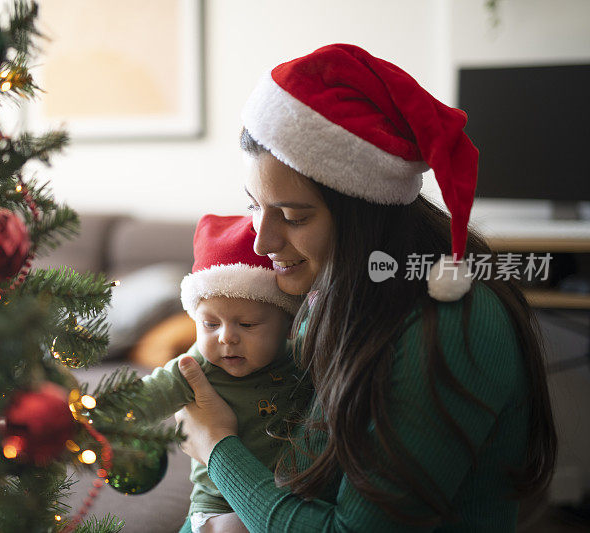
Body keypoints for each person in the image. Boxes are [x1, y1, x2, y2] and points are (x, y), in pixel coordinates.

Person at [173, 43, 557, 532]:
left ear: (363, 214)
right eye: (254, 205)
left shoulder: (446, 324)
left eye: (292, 216)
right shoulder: (331, 292)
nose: (262, 239)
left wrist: (214, 446)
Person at [108, 214, 309, 533]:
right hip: (216, 507)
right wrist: (94, 415)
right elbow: (147, 396)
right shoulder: (195, 365)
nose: (226, 338)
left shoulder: (301, 357)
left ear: (287, 325)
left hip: (284, 502)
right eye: (210, 324)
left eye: (247, 325)